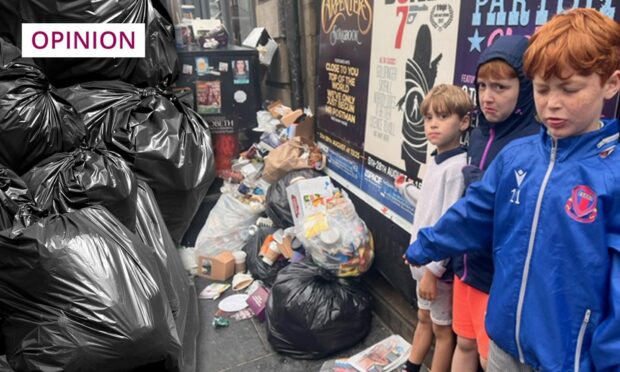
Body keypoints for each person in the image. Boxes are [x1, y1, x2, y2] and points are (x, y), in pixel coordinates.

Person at [405, 8, 620, 371]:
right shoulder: (517, 155)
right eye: (541, 88)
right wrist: (426, 244)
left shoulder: (612, 171)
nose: (552, 103)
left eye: (569, 89)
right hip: (504, 340)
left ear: (611, 84)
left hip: (568, 358)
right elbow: (475, 212)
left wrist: (606, 360)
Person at [453, 35, 540, 372]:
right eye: (482, 85)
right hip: (465, 264)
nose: (487, 97)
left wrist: (492, 193)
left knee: (492, 359)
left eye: (501, 87)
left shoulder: (532, 141)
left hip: (497, 275)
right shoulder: (478, 131)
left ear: (525, 87)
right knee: (463, 341)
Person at [395, 84, 474, 372]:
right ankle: (412, 366)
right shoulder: (437, 161)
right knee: (423, 318)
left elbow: (449, 224)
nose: (432, 125)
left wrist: (433, 271)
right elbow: (430, 201)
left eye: (442, 117)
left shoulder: (458, 168)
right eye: (428, 118)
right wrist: (407, 191)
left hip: (435, 267)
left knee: (442, 331)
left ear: (463, 122)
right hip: (421, 259)